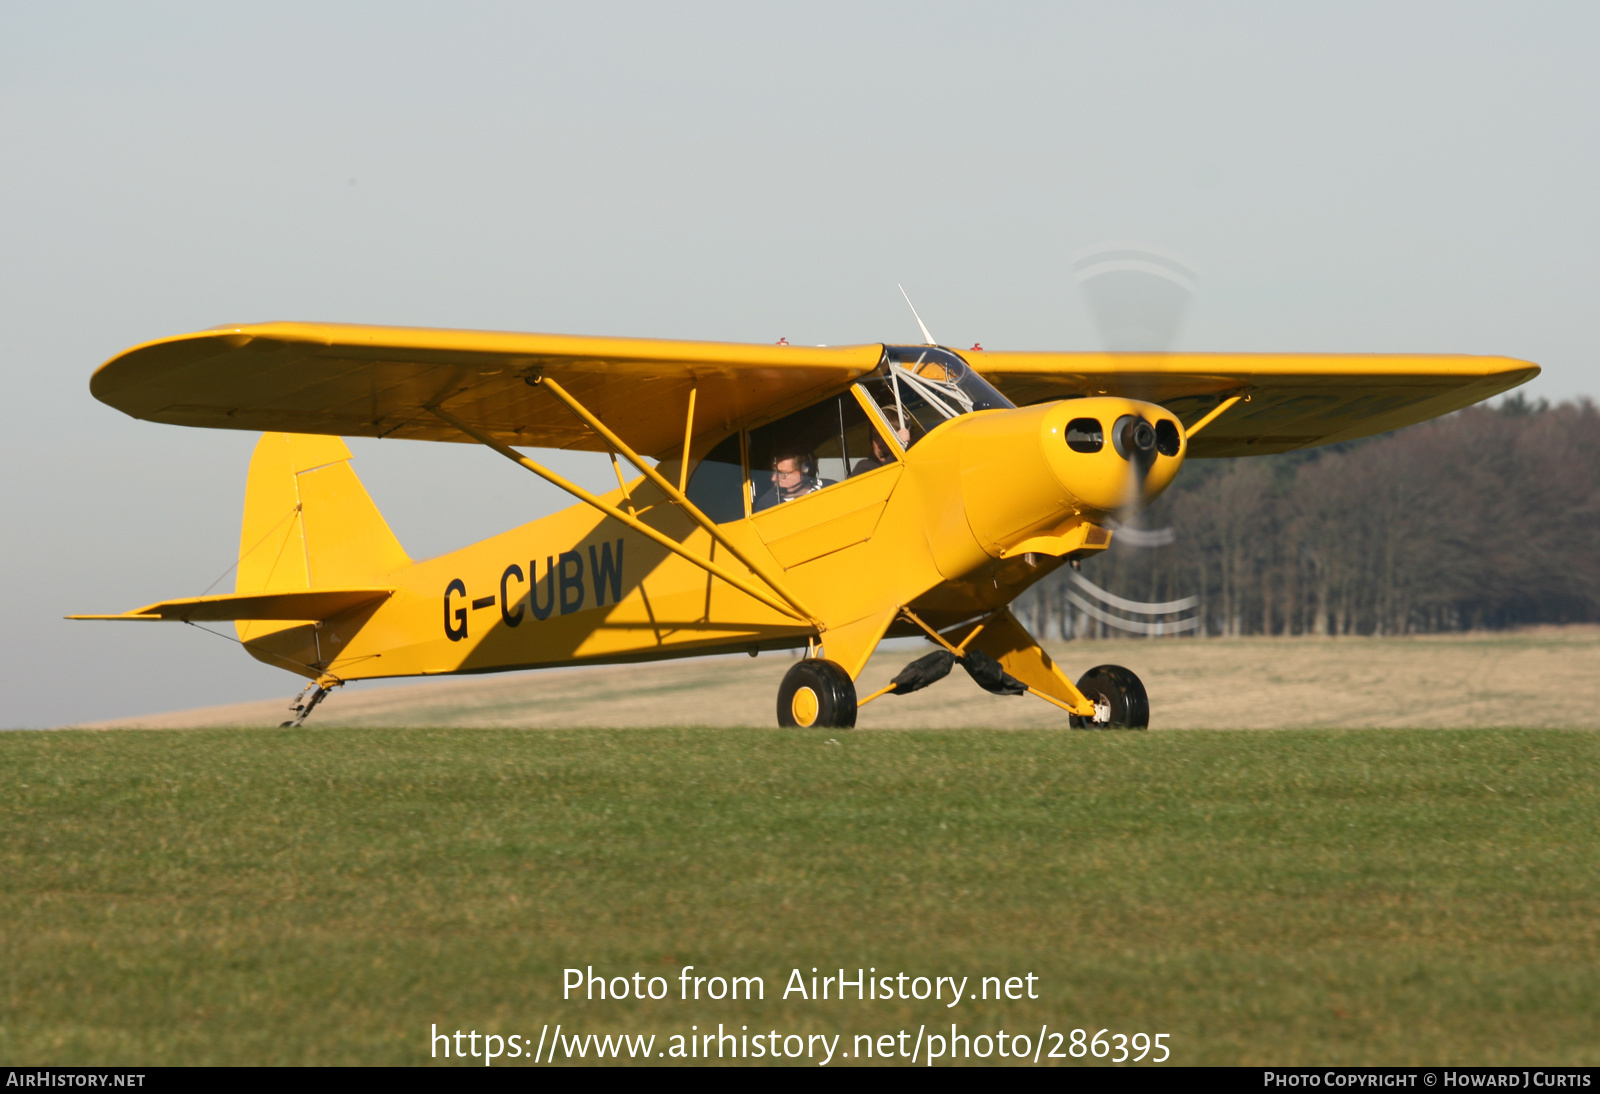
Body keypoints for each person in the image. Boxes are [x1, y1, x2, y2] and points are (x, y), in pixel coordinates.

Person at [753, 450, 832, 512]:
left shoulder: (831, 489)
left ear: (805, 472)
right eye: (773, 472)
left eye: (782, 473)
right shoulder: (767, 505)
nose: (773, 478)